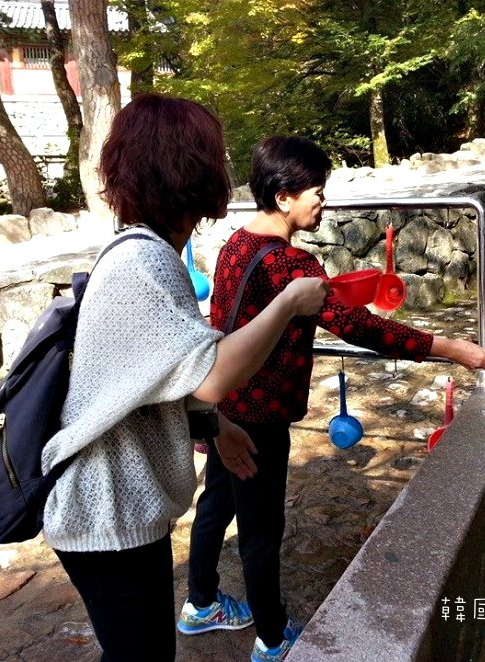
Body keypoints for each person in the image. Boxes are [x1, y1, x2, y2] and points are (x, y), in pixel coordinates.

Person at [180, 136, 485, 662]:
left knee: (215, 505)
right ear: (283, 197)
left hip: (225, 410)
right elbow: (358, 327)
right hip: (259, 420)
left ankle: (200, 603)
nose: (323, 202)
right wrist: (450, 348)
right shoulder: (293, 266)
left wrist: (212, 417)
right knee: (262, 531)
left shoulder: (236, 245)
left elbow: (222, 323)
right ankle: (272, 638)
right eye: (317, 192)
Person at [39, 97, 328, 662]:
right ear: (186, 169)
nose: (221, 166)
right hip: (104, 512)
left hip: (124, 510)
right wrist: (290, 302)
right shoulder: (142, 262)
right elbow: (213, 374)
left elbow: (161, 376)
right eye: (212, 155)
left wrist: (215, 426)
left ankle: (204, 603)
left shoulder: (148, 252)